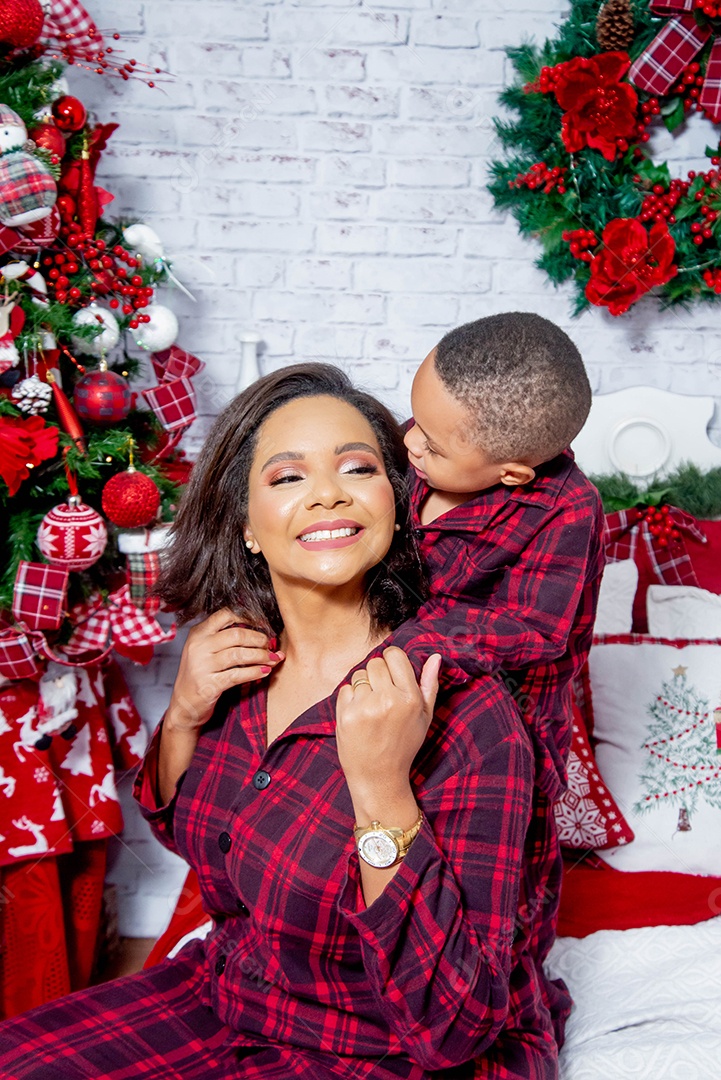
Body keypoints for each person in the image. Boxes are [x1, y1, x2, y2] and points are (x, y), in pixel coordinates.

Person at [0, 364, 559, 1079]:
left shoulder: (463, 706)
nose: (327, 492)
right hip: (233, 997)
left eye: (356, 468)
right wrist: (184, 717)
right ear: (247, 528)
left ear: (396, 501)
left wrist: (382, 793)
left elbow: (453, 1026)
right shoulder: (238, 662)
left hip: (384, 1049)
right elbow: (206, 839)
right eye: (288, 477)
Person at [394, 312, 606, 1040]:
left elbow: (536, 629)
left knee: (503, 881)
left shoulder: (565, 508)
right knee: (399, 844)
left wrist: (408, 638)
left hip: (505, 732)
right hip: (405, 707)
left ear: (511, 472)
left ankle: (497, 997)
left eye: (431, 441)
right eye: (413, 418)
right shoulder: (424, 449)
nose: (408, 442)